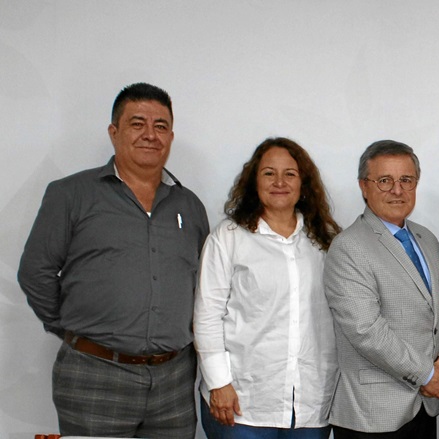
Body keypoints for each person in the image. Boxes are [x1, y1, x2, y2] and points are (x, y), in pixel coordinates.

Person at [18, 82, 208, 438]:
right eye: (137, 124)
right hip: (95, 374)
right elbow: (35, 272)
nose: (150, 135)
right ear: (114, 132)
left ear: (170, 136)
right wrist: (74, 329)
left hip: (174, 381)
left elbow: (202, 287)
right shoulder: (71, 194)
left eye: (161, 126)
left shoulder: (190, 206)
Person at [194, 137, 342, 438]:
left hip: (310, 404)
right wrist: (219, 383)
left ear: (303, 183)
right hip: (242, 403)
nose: (279, 182)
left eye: (290, 173)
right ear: (254, 180)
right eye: (268, 173)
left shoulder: (326, 241)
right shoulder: (228, 237)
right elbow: (207, 315)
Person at [324, 140, 439, 439]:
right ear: (363, 186)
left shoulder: (427, 239)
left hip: (425, 406)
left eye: (406, 180)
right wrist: (425, 374)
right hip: (372, 415)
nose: (397, 190)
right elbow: (365, 330)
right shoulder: (348, 247)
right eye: (384, 180)